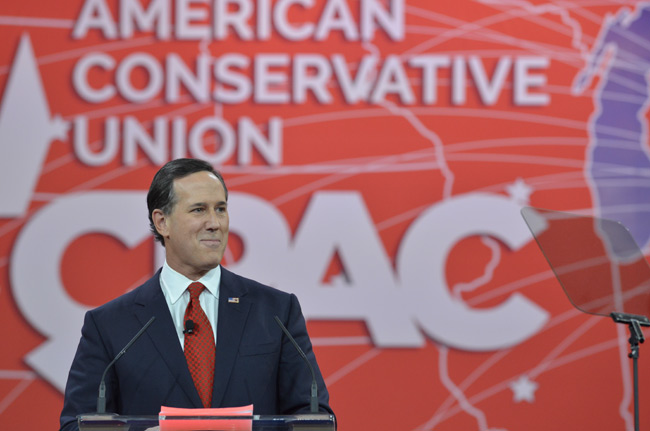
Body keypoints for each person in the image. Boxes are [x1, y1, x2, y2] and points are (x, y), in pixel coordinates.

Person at [59, 158, 333, 431]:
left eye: (221, 209)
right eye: (199, 210)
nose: (214, 223)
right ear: (162, 222)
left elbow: (312, 418)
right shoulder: (110, 325)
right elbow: (76, 425)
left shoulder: (276, 312)